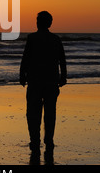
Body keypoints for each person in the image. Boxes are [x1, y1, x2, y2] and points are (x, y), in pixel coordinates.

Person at [20, 11, 67, 159]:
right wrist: (63, 76)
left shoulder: (32, 38)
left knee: (33, 112)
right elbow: (62, 60)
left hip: (35, 81)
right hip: (51, 81)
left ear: (38, 22)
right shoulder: (55, 39)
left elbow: (26, 58)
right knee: (50, 112)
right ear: (50, 23)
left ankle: (35, 141)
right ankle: (49, 140)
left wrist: (22, 75)